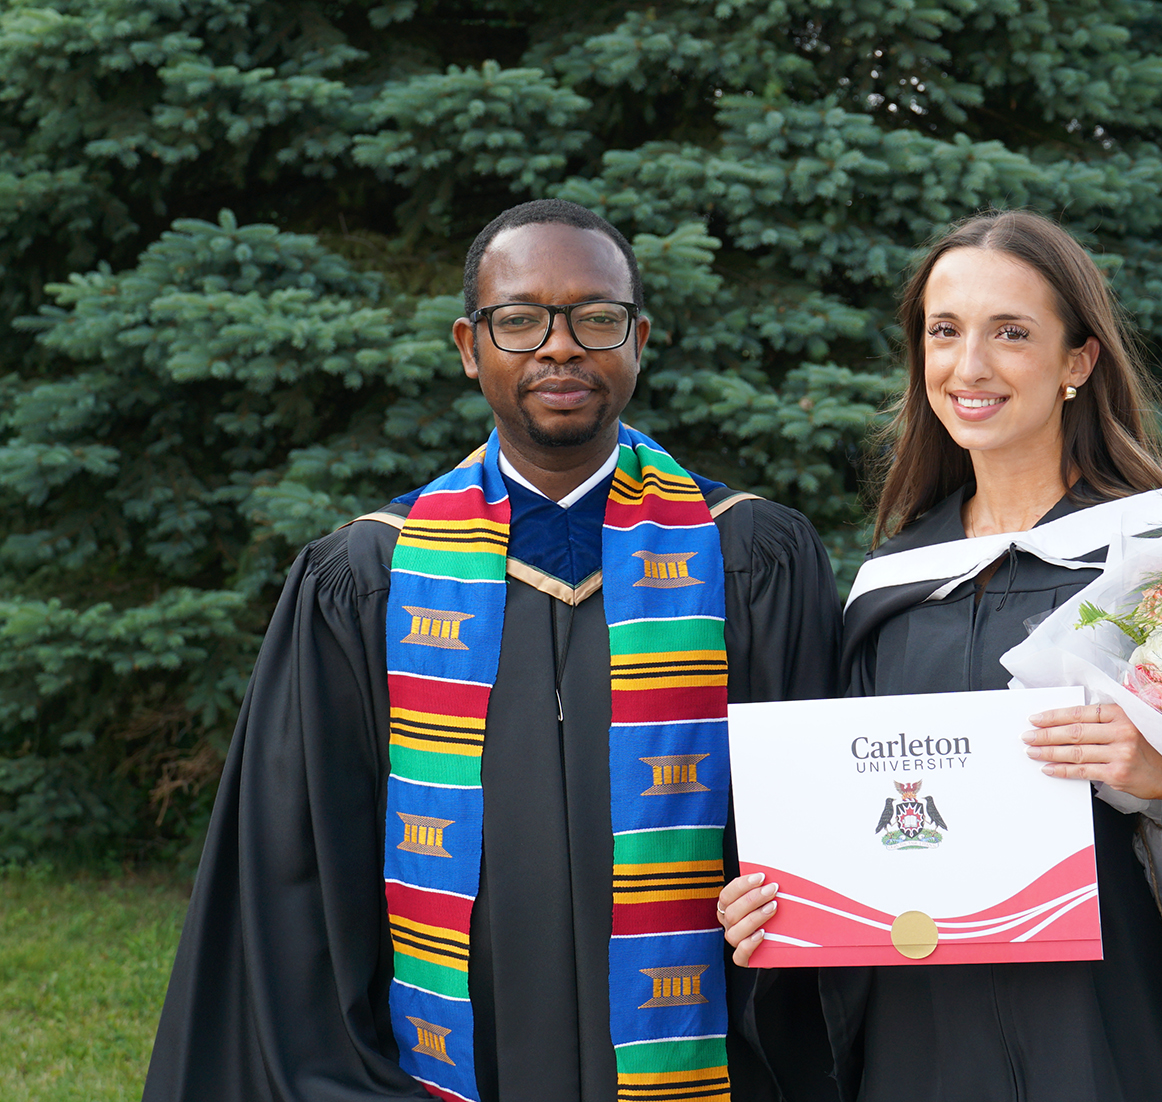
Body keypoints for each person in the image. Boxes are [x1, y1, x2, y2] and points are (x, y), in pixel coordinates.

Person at [143, 199, 841, 1102]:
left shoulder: (749, 557)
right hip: (450, 1060)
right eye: (520, 320)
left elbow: (822, 834)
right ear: (472, 347)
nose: (561, 347)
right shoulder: (369, 576)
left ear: (639, 340)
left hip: (704, 1055)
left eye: (597, 318)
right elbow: (304, 867)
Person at [719, 210, 1162, 1101]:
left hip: (1109, 1026)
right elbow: (855, 819)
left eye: (1012, 332)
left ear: (1079, 362)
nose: (970, 366)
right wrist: (784, 899)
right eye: (944, 331)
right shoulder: (892, 582)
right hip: (923, 1036)